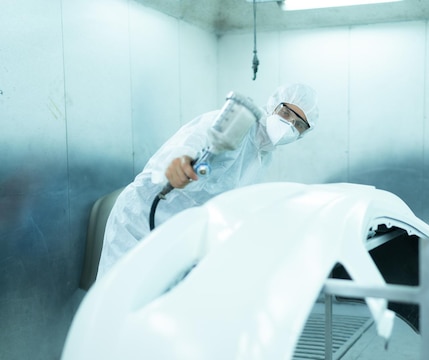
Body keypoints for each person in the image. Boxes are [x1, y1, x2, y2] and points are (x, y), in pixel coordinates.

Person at [97, 83, 319, 277]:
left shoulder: (264, 155)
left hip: (176, 233)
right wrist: (177, 163)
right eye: (286, 113)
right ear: (273, 105)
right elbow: (186, 147)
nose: (289, 124)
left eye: (299, 125)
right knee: (119, 301)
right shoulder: (233, 123)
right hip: (139, 221)